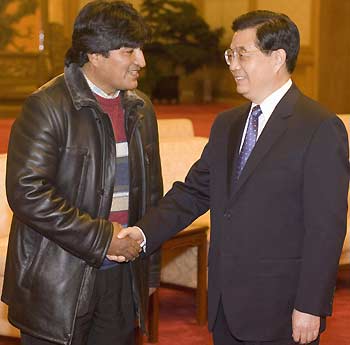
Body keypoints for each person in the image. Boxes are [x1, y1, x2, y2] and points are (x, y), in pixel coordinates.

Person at [116, 10, 349, 345]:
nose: (233, 64)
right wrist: (140, 234)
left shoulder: (319, 127)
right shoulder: (227, 124)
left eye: (243, 54)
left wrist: (311, 305)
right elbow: (193, 193)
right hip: (225, 304)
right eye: (230, 54)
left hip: (281, 309)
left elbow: (326, 228)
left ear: (277, 58)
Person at [2, 1, 163, 345]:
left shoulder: (141, 109)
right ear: (94, 54)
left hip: (121, 278)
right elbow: (26, 192)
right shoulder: (46, 107)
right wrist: (103, 238)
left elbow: (151, 195)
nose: (142, 61)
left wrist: (149, 272)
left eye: (141, 48)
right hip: (57, 280)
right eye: (128, 50)